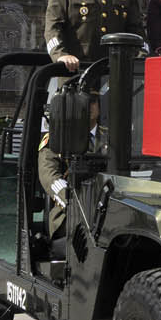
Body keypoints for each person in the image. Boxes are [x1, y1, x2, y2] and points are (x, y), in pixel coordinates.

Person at [37, 92, 106, 242]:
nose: (88, 105)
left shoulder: (112, 139)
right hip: (70, 214)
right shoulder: (57, 139)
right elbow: (49, 175)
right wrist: (71, 200)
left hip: (108, 208)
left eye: (93, 100)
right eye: (83, 101)